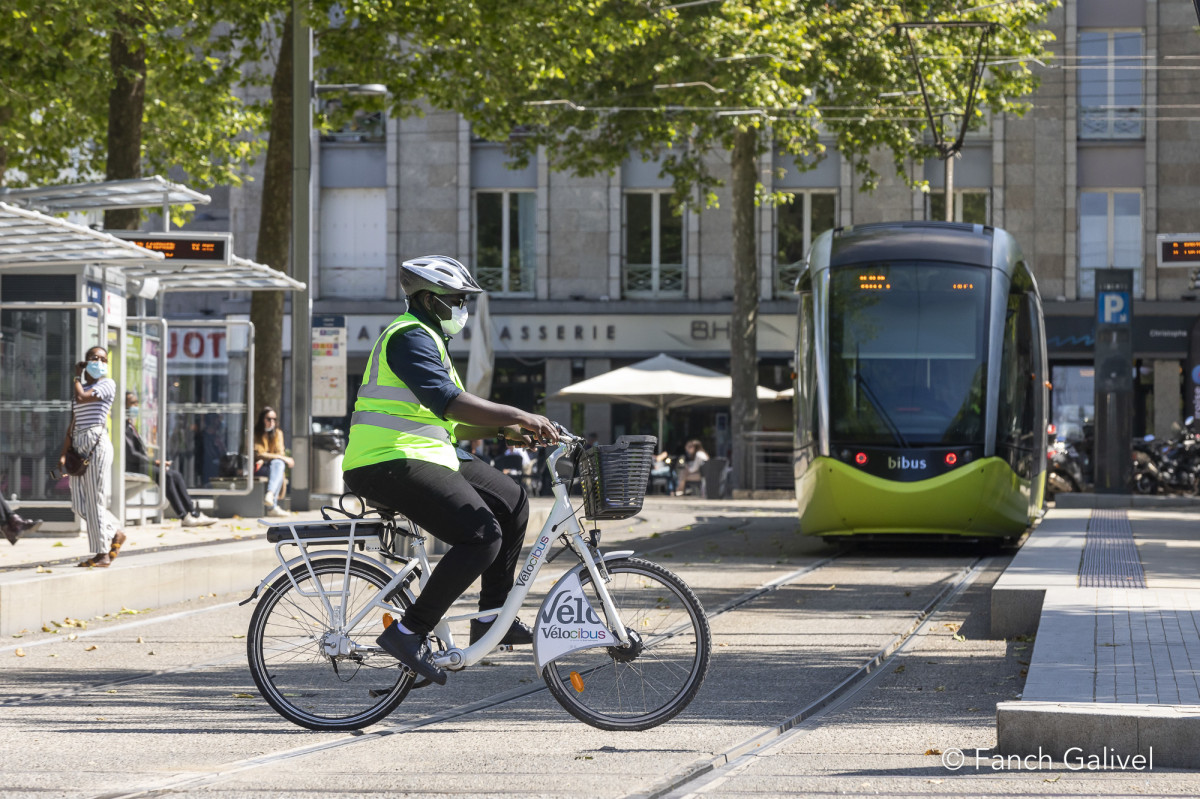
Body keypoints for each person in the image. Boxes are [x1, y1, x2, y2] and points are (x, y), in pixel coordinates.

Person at [343, 254, 558, 686]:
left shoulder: (432, 339)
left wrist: (509, 429)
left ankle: (490, 619)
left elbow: (453, 421)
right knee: (481, 536)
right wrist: (520, 413)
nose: (462, 306)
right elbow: (447, 400)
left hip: (428, 453)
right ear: (427, 298)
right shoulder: (408, 337)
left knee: (513, 500)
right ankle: (409, 632)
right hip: (386, 458)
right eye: (456, 299)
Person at [59, 346, 125, 567]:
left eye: (103, 359)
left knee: (94, 498)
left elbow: (82, 397)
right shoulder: (81, 387)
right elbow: (73, 423)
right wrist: (63, 453)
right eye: (94, 358)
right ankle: (114, 533)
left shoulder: (107, 384)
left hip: (96, 441)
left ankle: (102, 554)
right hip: (78, 444)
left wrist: (76, 376)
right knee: (79, 505)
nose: (99, 362)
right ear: (86, 361)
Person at [124, 393, 216, 528]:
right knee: (165, 475)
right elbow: (132, 454)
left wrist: (156, 462)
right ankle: (183, 515)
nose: (136, 406)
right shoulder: (123, 426)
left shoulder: (130, 425)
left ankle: (193, 513)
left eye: (137, 403)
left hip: (140, 464)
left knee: (176, 475)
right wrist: (155, 462)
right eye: (132, 403)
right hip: (132, 466)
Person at [253, 407, 291, 518]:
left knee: (278, 464)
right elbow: (259, 454)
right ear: (262, 419)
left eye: (274, 419)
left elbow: (280, 453)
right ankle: (272, 508)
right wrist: (282, 458)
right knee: (279, 464)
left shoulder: (278, 433)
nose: (271, 422)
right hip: (258, 467)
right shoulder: (256, 433)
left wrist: (277, 457)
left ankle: (270, 495)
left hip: (273, 466)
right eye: (268, 419)